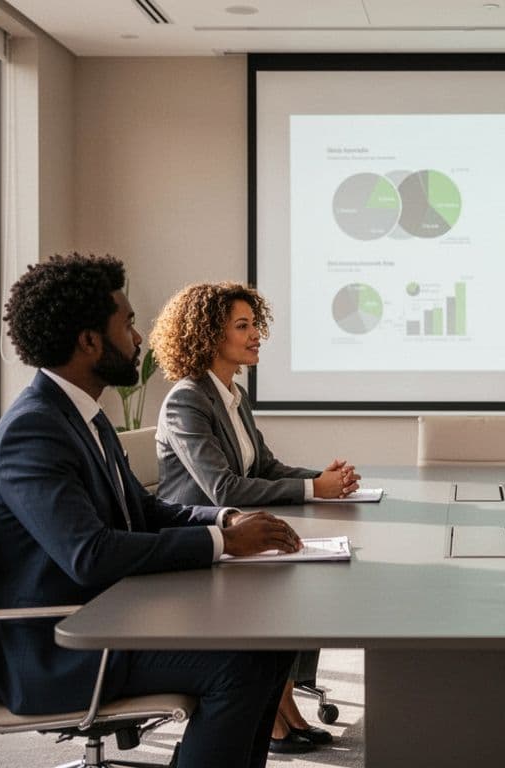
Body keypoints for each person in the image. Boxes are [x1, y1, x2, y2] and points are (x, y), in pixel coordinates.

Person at [0, 254, 302, 768]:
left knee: (270, 646)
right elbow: (90, 554)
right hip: (65, 645)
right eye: (127, 324)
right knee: (243, 663)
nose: (139, 338)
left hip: (116, 614)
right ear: (89, 341)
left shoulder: (85, 416)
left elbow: (143, 509)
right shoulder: (33, 430)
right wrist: (221, 545)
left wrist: (224, 521)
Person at [150, 281, 359, 754]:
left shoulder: (232, 395)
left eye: (254, 324)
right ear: (207, 335)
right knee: (294, 580)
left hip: (240, 531)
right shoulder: (187, 399)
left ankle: (283, 709)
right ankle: (276, 719)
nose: (255, 335)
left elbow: (263, 467)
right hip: (204, 536)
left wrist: (324, 480)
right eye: (242, 326)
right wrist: (313, 490)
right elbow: (222, 488)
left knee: (303, 574)